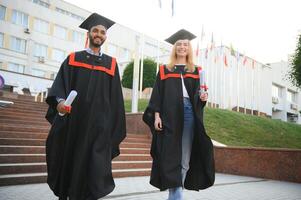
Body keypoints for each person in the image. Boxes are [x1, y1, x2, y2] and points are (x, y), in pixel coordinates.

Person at [45, 13, 126, 200]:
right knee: (71, 166)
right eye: (95, 30)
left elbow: (116, 100)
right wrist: (60, 104)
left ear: (106, 36)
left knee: (94, 172)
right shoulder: (73, 59)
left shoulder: (111, 65)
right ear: (88, 34)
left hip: (99, 129)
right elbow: (58, 89)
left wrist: (111, 130)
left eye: (102, 32)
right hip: (74, 126)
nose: (99, 34)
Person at [143, 29, 215, 200]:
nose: (182, 47)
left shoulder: (196, 70)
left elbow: (199, 96)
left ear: (189, 48)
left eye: (185, 44)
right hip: (168, 115)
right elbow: (157, 95)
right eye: (179, 45)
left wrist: (203, 97)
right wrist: (157, 115)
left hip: (189, 113)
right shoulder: (164, 70)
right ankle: (176, 194)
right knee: (169, 155)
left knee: (184, 156)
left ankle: (176, 194)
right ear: (174, 48)